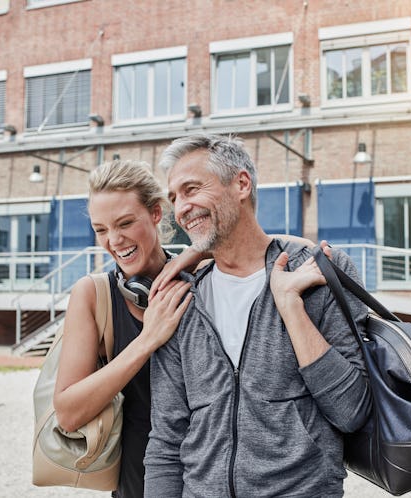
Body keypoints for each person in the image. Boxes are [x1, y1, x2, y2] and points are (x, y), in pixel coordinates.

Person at [144, 134, 372, 497]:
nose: (181, 208)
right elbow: (167, 439)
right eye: (174, 198)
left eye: (191, 189)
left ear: (241, 184)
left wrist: (292, 307)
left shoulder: (320, 272)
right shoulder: (180, 300)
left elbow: (351, 411)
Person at [53, 159, 194, 498]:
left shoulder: (201, 274)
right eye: (101, 230)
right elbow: (68, 413)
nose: (114, 241)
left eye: (125, 223)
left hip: (211, 480)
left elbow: (257, 242)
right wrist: (146, 341)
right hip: (137, 485)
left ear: (157, 214)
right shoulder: (92, 295)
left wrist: (201, 251)